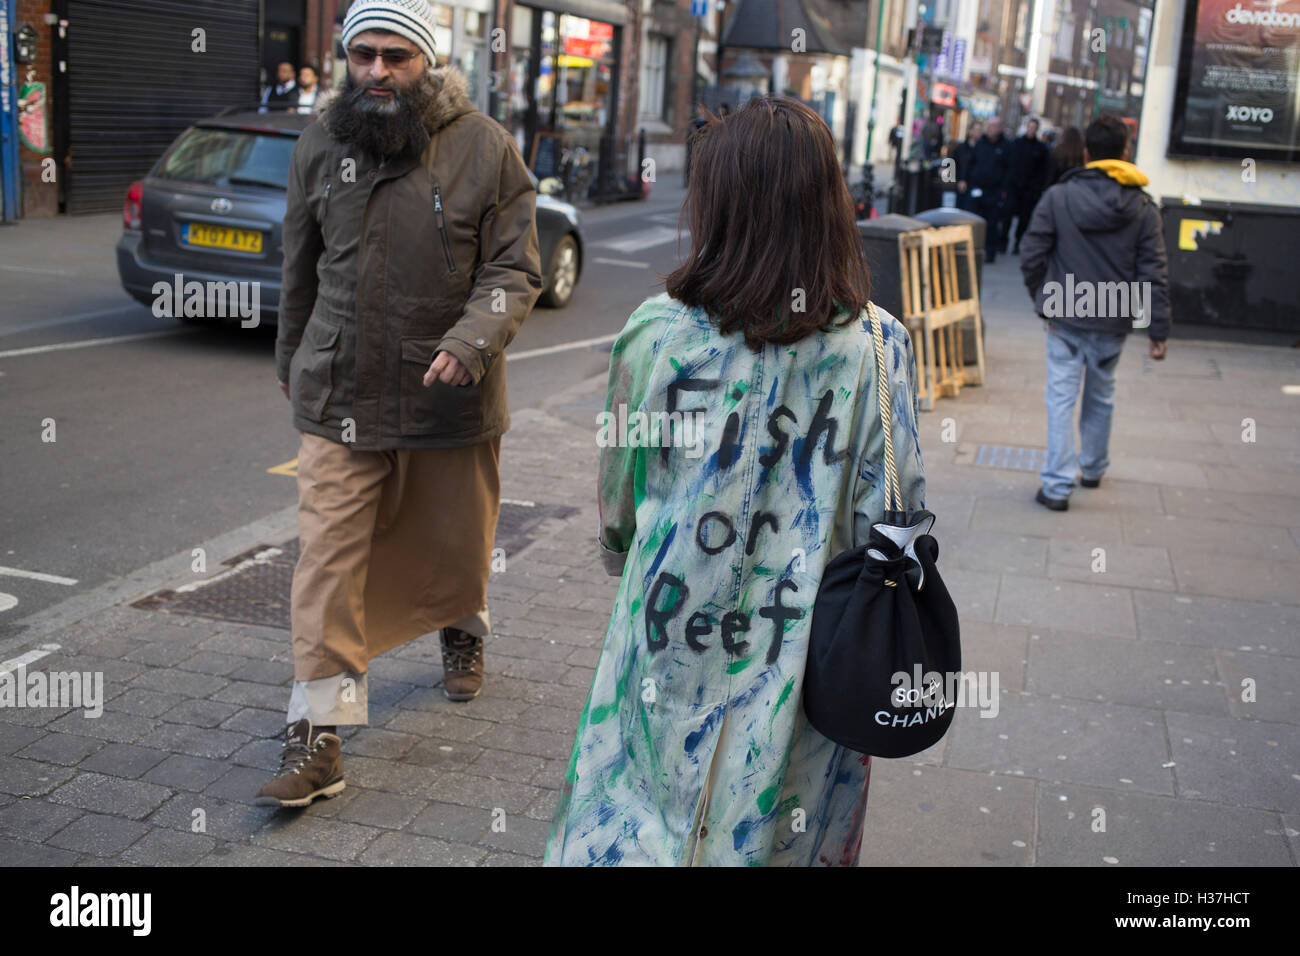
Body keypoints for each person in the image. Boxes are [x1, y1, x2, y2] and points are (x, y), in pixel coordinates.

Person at [544, 95, 927, 866]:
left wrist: (623, 555)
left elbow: (620, 489)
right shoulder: (878, 348)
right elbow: (899, 512)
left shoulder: (657, 332)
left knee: (641, 815)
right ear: (828, 207)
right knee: (780, 816)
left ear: (720, 206)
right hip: (806, 653)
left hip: (665, 630)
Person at [258, 0, 543, 807]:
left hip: (448, 393)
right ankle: (321, 735)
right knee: (327, 560)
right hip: (339, 385)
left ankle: (463, 625)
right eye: (363, 55)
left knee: (456, 541)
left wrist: (472, 339)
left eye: (396, 56)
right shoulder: (319, 143)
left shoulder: (485, 148)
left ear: (429, 61)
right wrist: (292, 358)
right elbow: (298, 267)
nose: (377, 72)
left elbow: (516, 269)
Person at [1019, 114, 1170, 512]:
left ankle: (1055, 487)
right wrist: (1158, 329)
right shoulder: (1143, 206)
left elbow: (1032, 253)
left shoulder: (1058, 197)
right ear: (1125, 153)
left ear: (1087, 153)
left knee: (1061, 397)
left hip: (1066, 312)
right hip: (1115, 315)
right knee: (1102, 394)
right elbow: (1152, 270)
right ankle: (1093, 468)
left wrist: (1044, 297)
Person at [968, 117, 1012, 262]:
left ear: (999, 128)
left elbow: (1009, 169)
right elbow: (972, 163)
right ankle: (975, 248)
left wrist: (1003, 189)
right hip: (978, 188)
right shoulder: (981, 144)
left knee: (992, 223)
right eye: (990, 126)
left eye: (994, 126)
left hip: (995, 190)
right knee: (976, 220)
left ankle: (990, 250)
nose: (991, 129)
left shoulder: (1006, 146)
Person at [1007, 118, 1049, 254]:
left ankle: (1018, 243)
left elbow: (1043, 170)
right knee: (1007, 215)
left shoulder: (1040, 149)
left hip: (1029, 190)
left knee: (1024, 219)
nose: (1031, 130)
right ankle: (1003, 241)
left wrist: (1037, 187)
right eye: (1029, 127)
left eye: (1034, 127)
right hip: (1014, 187)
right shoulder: (1016, 144)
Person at [953, 121, 983, 212]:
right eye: (976, 130)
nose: (978, 133)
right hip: (960, 187)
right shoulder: (961, 148)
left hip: (975, 187)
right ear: (970, 131)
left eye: (980, 130)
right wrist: (959, 181)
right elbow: (954, 165)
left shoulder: (983, 149)